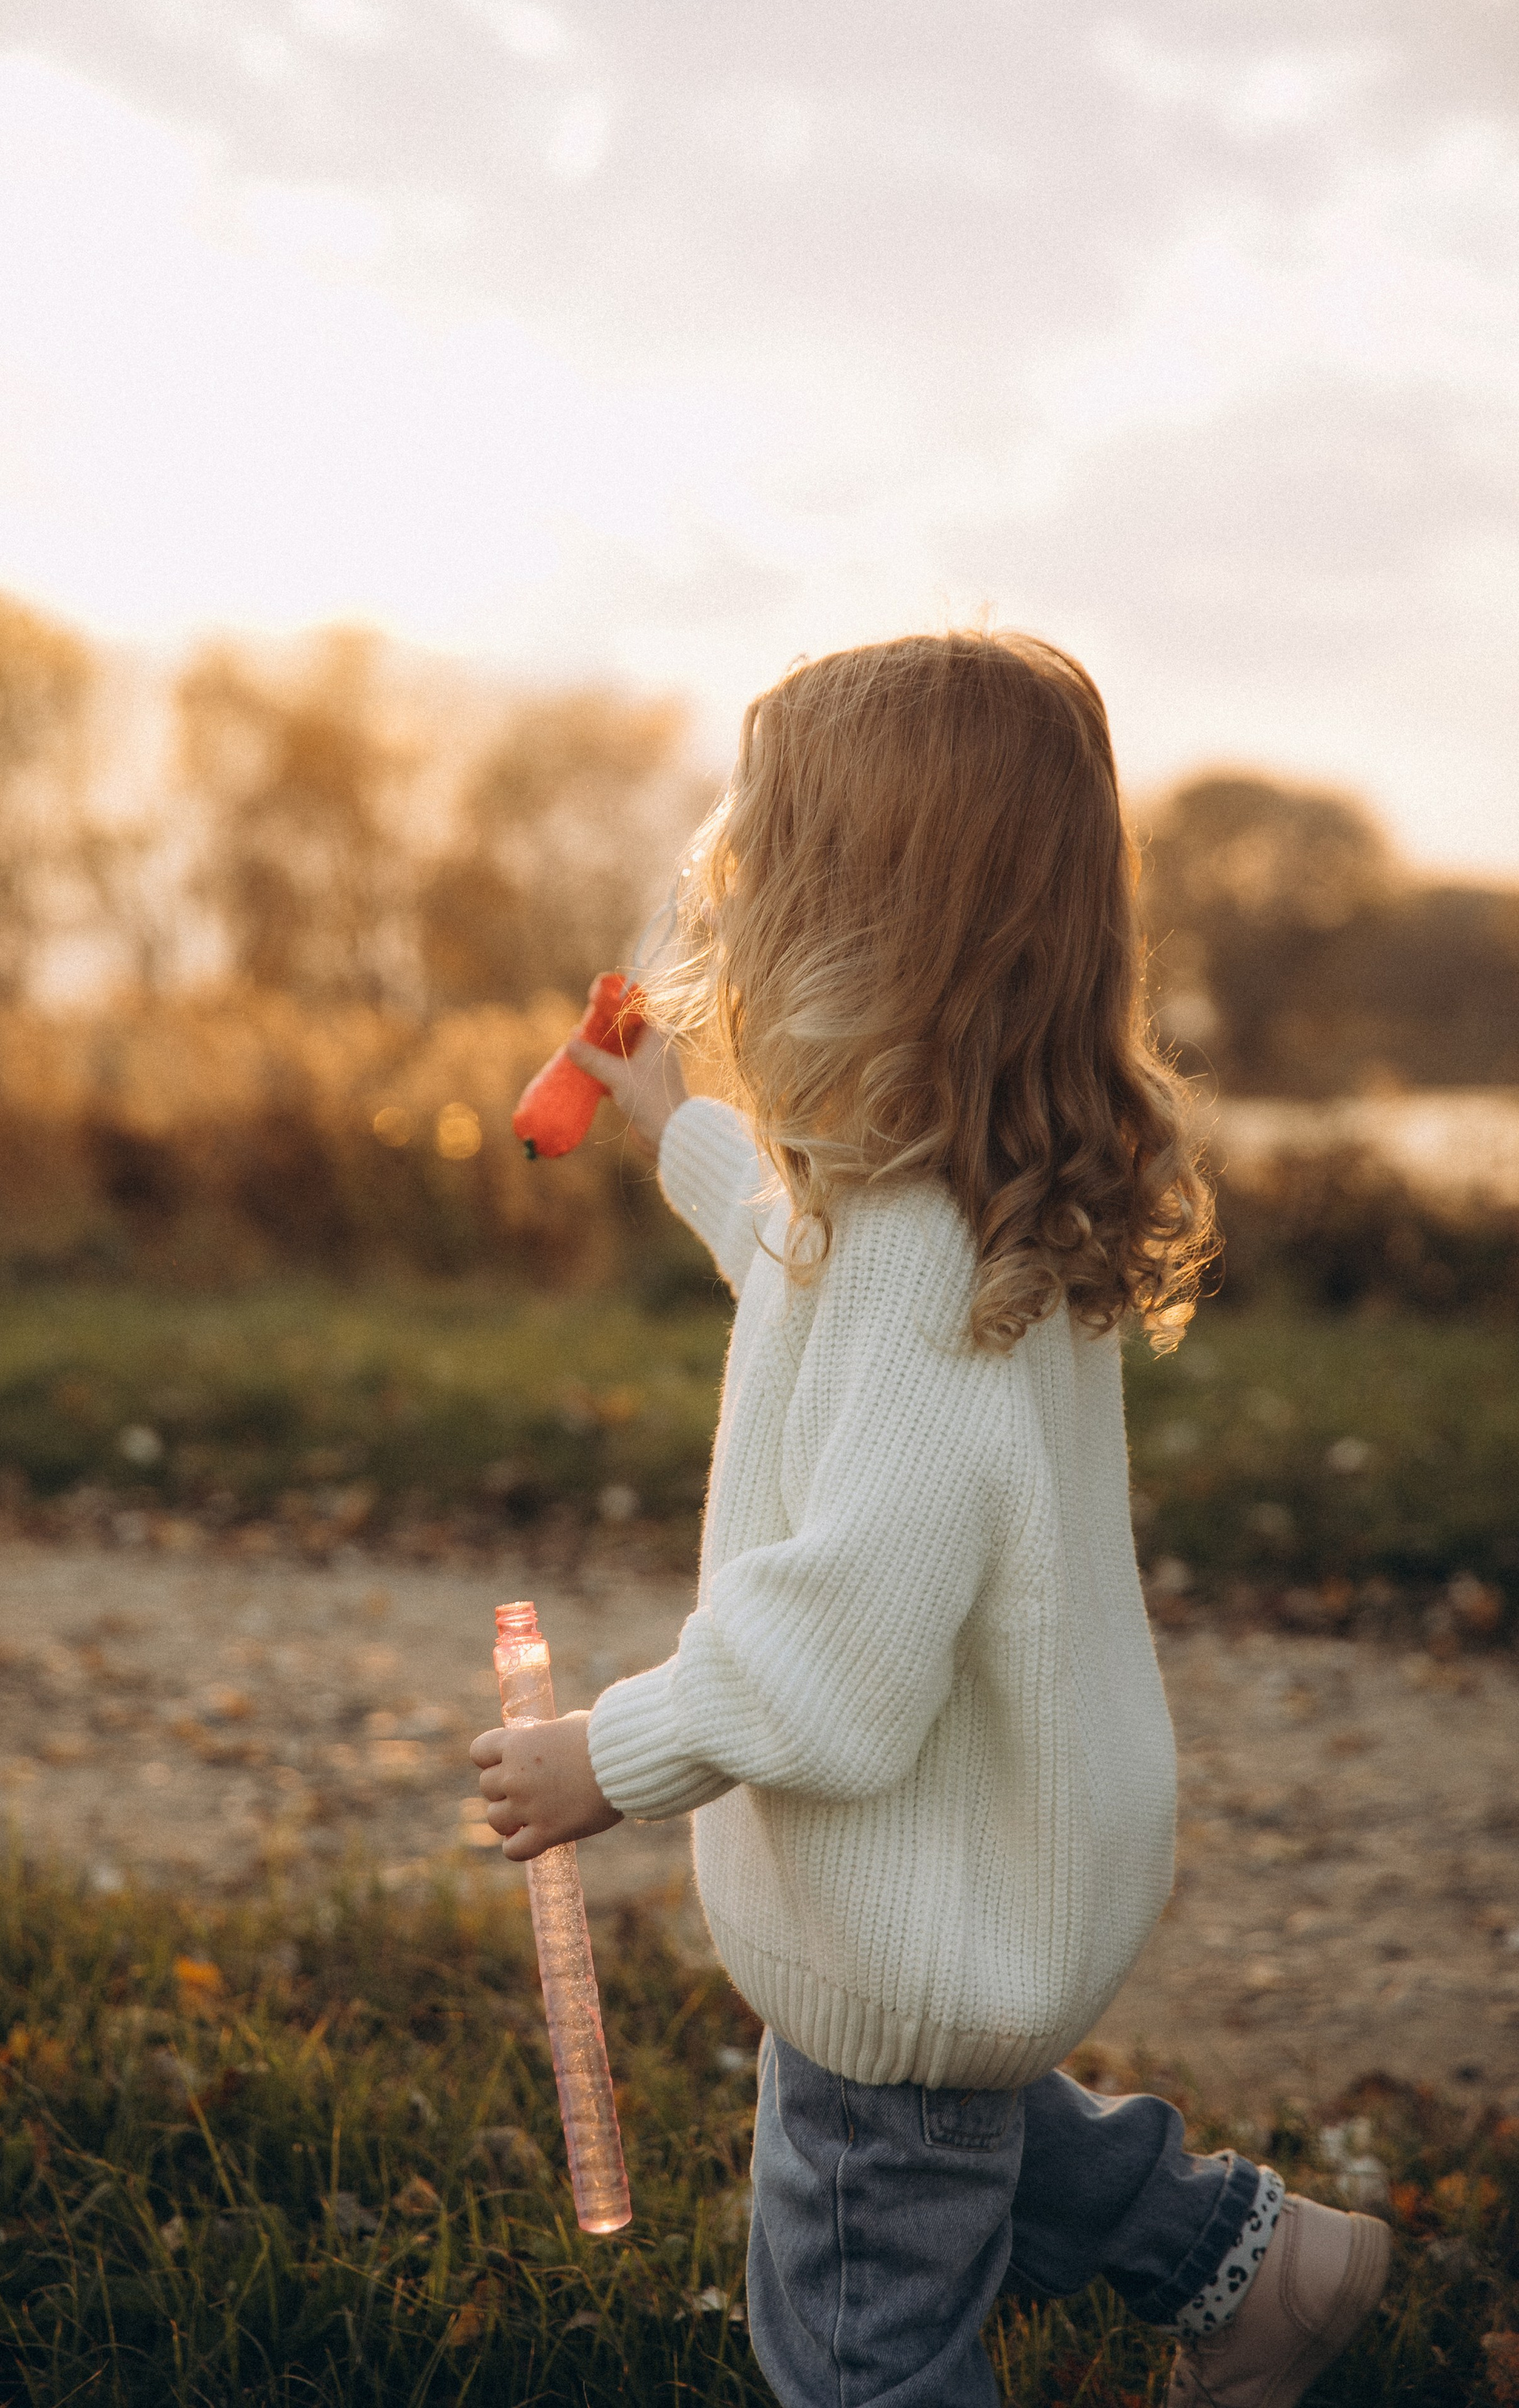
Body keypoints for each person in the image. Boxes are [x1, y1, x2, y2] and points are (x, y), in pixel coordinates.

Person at [469, 632, 1391, 2407]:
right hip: (984, 1885)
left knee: (860, 2343)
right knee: (963, 2126)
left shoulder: (904, 1247)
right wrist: (679, 1124)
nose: (731, 901)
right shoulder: (955, 1200)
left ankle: (1221, 2266)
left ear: (855, 920)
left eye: (767, 864)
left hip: (908, 1920)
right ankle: (1253, 2269)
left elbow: (844, 1649)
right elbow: (791, 1250)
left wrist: (616, 1748)